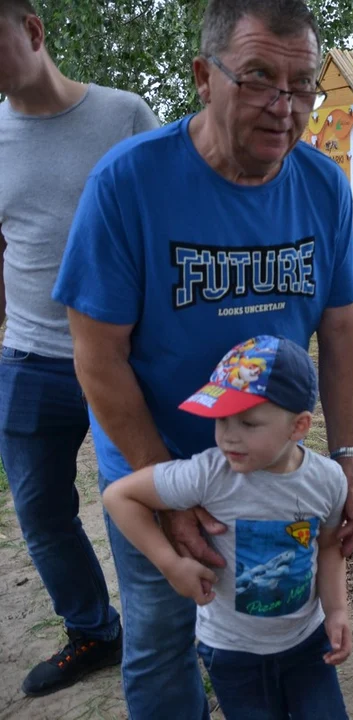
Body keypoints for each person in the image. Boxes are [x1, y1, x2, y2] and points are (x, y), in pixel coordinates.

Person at [50, 1, 353, 717]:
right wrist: (166, 491)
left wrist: (349, 453)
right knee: (166, 635)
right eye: (258, 77)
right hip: (161, 466)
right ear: (203, 75)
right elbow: (97, 355)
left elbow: (343, 327)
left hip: (272, 468)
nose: (284, 106)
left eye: (301, 83)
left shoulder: (322, 186)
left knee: (281, 627)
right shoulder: (129, 183)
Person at [0, 0, 160, 697]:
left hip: (126, 362)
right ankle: (94, 632)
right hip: (30, 360)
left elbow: (168, 229)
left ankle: (172, 640)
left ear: (32, 31)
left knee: (142, 506)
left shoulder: (124, 116)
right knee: (39, 511)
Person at [102, 336, 351, 718]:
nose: (229, 436)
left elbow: (330, 546)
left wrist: (336, 611)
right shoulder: (208, 473)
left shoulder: (328, 480)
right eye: (221, 419)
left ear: (298, 426)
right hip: (232, 653)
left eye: (249, 423)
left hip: (307, 646)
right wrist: (170, 564)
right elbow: (119, 497)